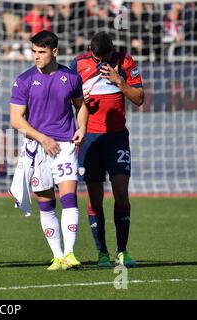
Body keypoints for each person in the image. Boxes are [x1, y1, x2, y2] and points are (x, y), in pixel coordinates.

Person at [10, 30, 88, 271]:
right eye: (33, 51)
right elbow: (16, 119)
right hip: (38, 147)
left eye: (41, 52)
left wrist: (82, 126)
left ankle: (70, 254)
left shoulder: (71, 77)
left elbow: (81, 105)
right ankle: (56, 256)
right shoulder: (23, 80)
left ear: (54, 51)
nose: (36, 57)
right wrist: (42, 138)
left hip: (64, 145)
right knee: (46, 203)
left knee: (69, 198)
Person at [70, 32, 144, 268]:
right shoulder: (79, 63)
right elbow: (67, 99)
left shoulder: (125, 61)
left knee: (121, 191)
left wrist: (119, 81)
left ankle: (122, 251)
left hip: (117, 138)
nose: (101, 61)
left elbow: (139, 98)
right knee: (95, 197)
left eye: (106, 57)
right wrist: (81, 100)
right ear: (90, 52)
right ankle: (102, 253)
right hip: (90, 138)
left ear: (113, 51)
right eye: (97, 57)